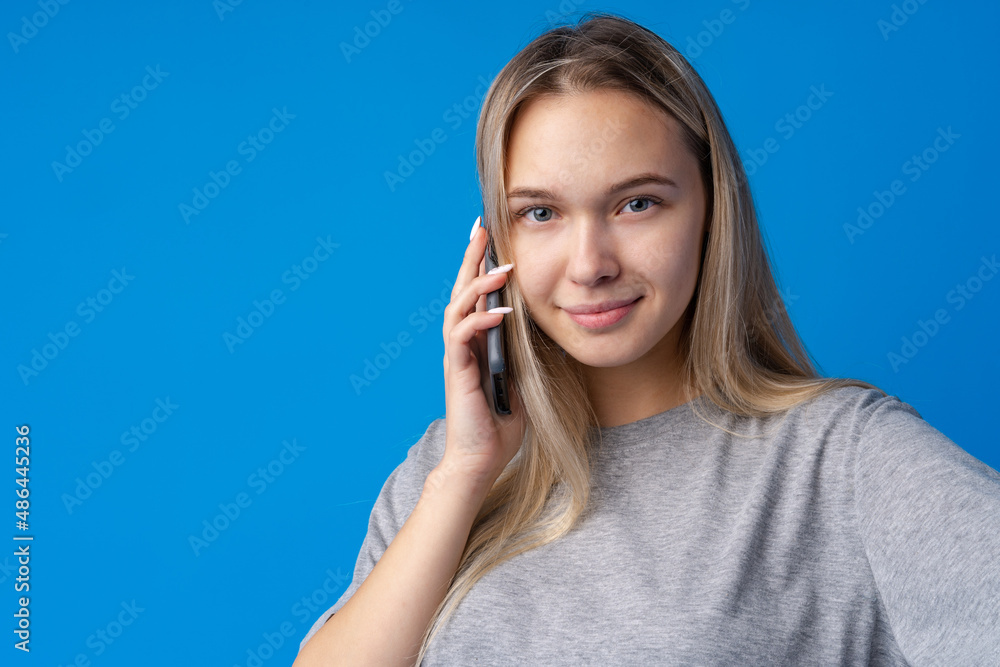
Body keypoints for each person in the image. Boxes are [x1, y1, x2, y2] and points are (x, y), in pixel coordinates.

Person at [293, 12, 1000, 666]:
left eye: (637, 204)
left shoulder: (840, 457)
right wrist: (465, 472)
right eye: (540, 213)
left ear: (711, 213)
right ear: (496, 241)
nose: (590, 264)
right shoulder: (441, 474)